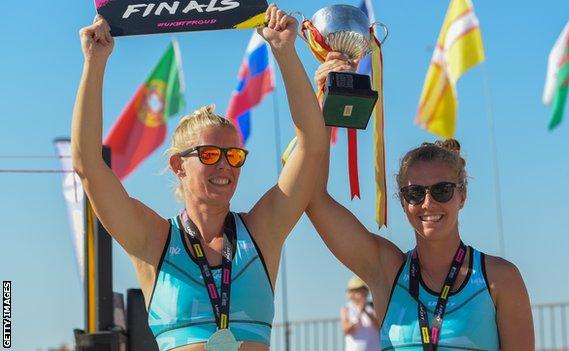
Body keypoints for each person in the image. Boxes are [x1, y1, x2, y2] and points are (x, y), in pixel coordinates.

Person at [72, 5, 326, 351]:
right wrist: (94, 62)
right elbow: (88, 164)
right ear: (179, 166)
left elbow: (311, 147)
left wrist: (284, 51)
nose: (225, 166)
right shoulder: (153, 239)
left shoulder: (262, 232)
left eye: (234, 156)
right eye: (209, 155)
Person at [306, 53, 534, 350]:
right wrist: (328, 104)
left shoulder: (500, 278)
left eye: (442, 190)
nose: (428, 203)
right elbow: (313, 199)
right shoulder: (387, 270)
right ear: (403, 202)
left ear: (462, 195)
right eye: (415, 193)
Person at [342, 276, 381, 351]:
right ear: (352, 292)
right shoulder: (346, 309)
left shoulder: (373, 307)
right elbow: (346, 330)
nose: (361, 292)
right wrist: (359, 313)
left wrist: (366, 312)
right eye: (358, 290)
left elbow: (380, 327)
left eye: (363, 289)